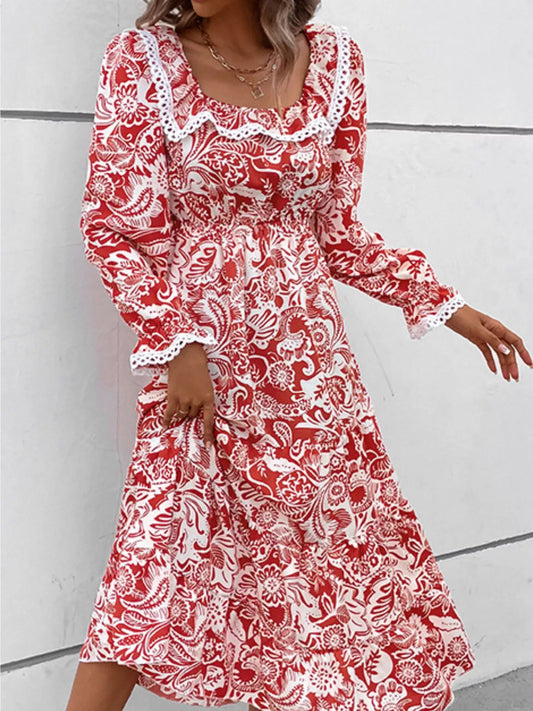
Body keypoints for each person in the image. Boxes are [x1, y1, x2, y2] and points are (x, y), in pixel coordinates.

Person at [66, 1, 532, 710]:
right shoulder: (142, 62)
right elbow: (113, 226)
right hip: (206, 367)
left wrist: (445, 305)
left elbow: (337, 232)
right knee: (152, 562)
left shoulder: (335, 63)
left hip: (311, 376)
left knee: (323, 575)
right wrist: (176, 343)